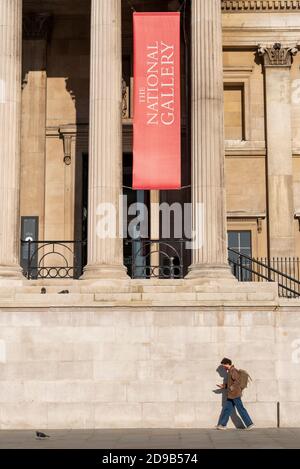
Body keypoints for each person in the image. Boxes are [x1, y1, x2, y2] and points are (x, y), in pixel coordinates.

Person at [216, 357, 254, 430]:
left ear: (227, 364)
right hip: (231, 395)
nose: (223, 367)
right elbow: (231, 383)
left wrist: (231, 388)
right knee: (227, 409)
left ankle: (250, 424)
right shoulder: (230, 371)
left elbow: (237, 381)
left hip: (235, 394)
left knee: (240, 409)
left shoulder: (233, 370)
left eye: (224, 365)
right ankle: (222, 425)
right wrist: (224, 386)